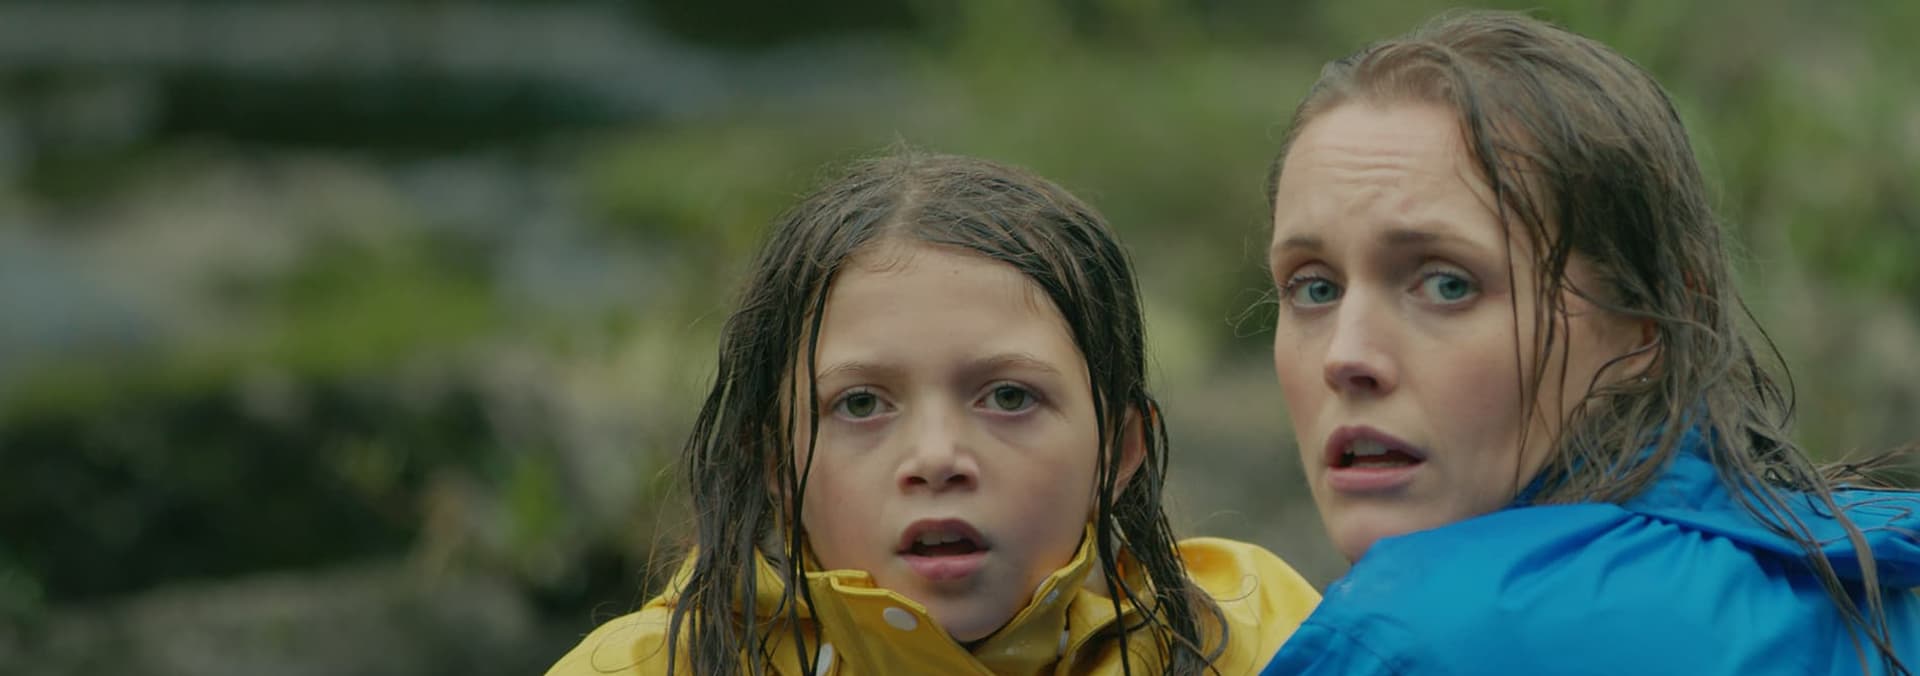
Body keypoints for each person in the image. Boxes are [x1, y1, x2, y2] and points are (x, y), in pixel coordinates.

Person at [1257, 10, 1919, 675]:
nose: (1346, 357)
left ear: (1648, 322)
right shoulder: (1872, 600)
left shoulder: (1411, 639)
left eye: (1447, 285)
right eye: (1314, 288)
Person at [546, 151, 1320, 676]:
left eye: (1009, 397)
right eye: (860, 404)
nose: (938, 457)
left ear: (1118, 452)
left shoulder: (1257, 640)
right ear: (776, 465)